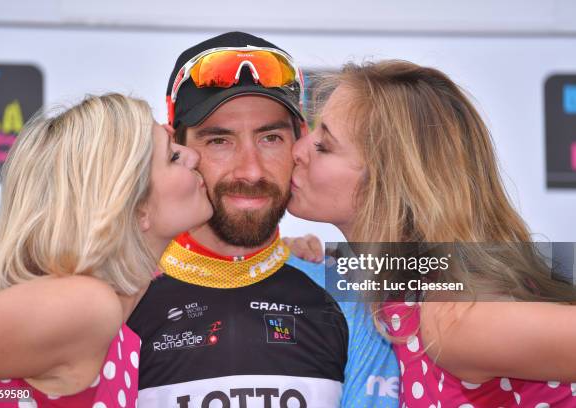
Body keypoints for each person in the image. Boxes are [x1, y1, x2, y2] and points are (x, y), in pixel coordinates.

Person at [127, 32, 399, 407]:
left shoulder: (352, 287)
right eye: (219, 141)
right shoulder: (120, 298)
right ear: (178, 148)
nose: (251, 171)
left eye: (270, 138)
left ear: (300, 142)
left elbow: (479, 271)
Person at [288, 60, 576, 407]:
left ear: (392, 182)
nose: (297, 150)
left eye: (324, 145)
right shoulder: (396, 288)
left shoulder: (453, 317)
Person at [0, 93, 213, 407]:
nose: (192, 156)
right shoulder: (88, 304)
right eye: (173, 157)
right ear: (135, 208)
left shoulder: (110, 305)